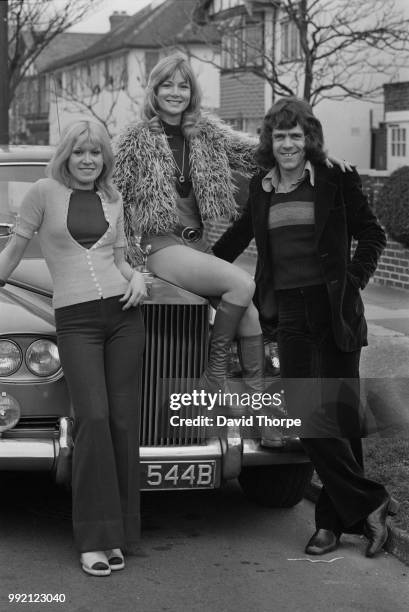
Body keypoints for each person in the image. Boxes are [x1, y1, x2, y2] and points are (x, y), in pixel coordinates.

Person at [114, 54, 349, 445]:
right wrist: (130, 265)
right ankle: (214, 380)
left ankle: (260, 416)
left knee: (251, 317)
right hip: (159, 246)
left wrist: (319, 159)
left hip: (198, 248)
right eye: (167, 85)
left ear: (192, 92)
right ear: (154, 91)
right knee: (242, 285)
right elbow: (112, 198)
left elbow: (263, 152)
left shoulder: (205, 133)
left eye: (183, 85)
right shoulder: (133, 141)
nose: (176, 92)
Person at [212, 96, 393, 558]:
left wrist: (352, 283)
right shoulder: (262, 187)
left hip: (334, 309)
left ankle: (330, 526)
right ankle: (372, 503)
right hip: (289, 313)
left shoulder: (337, 178)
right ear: (269, 142)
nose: (289, 143)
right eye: (280, 135)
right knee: (309, 417)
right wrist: (195, 270)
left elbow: (372, 234)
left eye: (296, 135)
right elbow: (237, 237)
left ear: (308, 139)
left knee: (339, 419)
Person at [0, 120, 146, 576]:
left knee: (123, 423)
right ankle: (92, 538)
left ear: (105, 158)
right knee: (93, 418)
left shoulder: (113, 198)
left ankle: (117, 533)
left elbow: (119, 260)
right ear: (67, 155)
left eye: (96, 153)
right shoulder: (43, 192)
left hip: (124, 317)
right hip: (77, 320)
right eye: (81, 152)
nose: (88, 160)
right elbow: (14, 250)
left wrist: (138, 275)